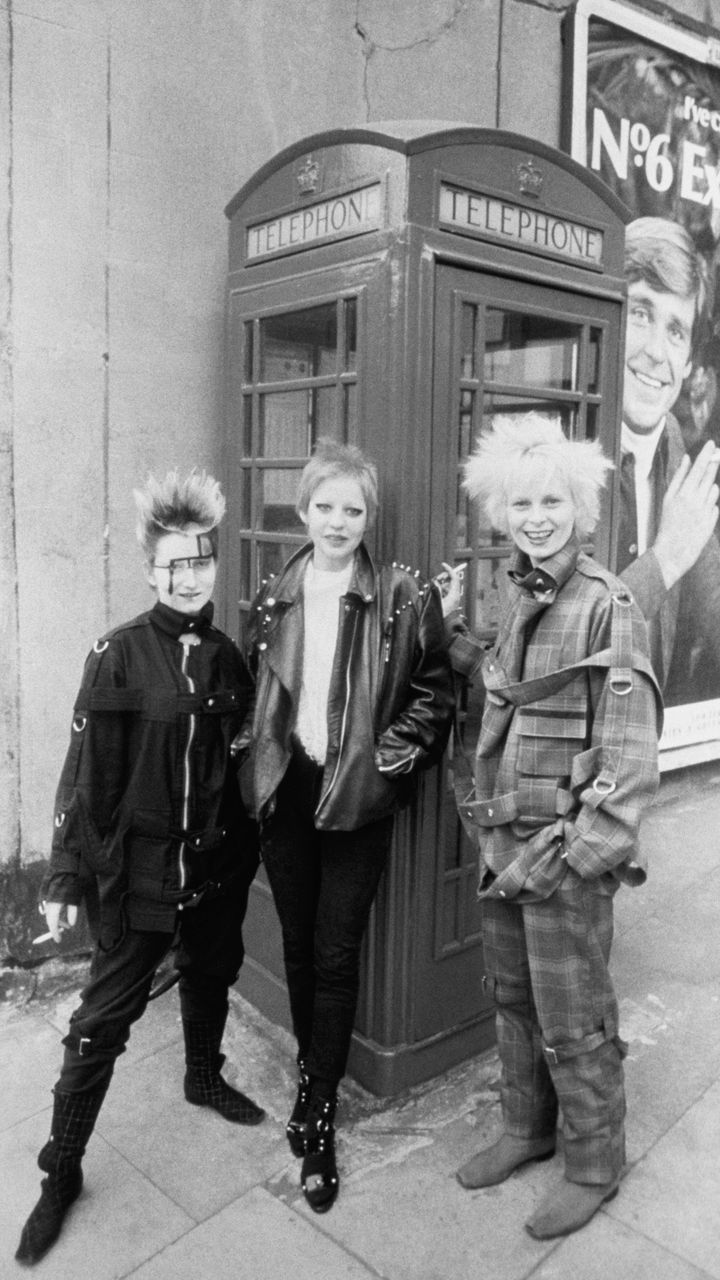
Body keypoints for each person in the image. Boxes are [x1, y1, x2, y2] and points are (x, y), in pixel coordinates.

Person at [16, 470, 264, 1267]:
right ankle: (61, 1172)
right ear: (150, 569)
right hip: (142, 872)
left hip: (217, 866)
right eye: (175, 564)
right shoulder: (118, 655)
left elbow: (245, 757)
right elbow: (84, 772)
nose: (190, 577)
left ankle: (202, 1074)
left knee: (211, 972)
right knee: (100, 1025)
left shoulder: (228, 657)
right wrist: (63, 876)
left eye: (202, 562)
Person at [442, 415, 662, 1240]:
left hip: (561, 854)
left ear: (582, 505)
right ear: (503, 511)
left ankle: (595, 1161)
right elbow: (507, 688)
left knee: (574, 1015)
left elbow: (631, 750)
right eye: (523, 502)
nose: (538, 516)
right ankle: (527, 1130)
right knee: (512, 999)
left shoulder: (608, 605)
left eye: (553, 501)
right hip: (502, 842)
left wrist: (579, 855)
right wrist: (445, 631)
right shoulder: (521, 592)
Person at [239, 438, 454, 1214]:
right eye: (324, 506)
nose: (337, 521)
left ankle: (321, 1115)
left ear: (370, 517)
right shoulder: (278, 590)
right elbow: (256, 690)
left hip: (358, 796)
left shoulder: (402, 594)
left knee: (335, 951)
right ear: (303, 511)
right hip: (289, 790)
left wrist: (386, 761)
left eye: (352, 509)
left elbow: (435, 696)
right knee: (300, 945)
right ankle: (311, 1079)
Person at [617, 216, 720, 701]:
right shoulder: (557, 446)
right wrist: (665, 560)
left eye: (676, 330)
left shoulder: (681, 453)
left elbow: (713, 614)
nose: (657, 352)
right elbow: (555, 651)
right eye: (640, 313)